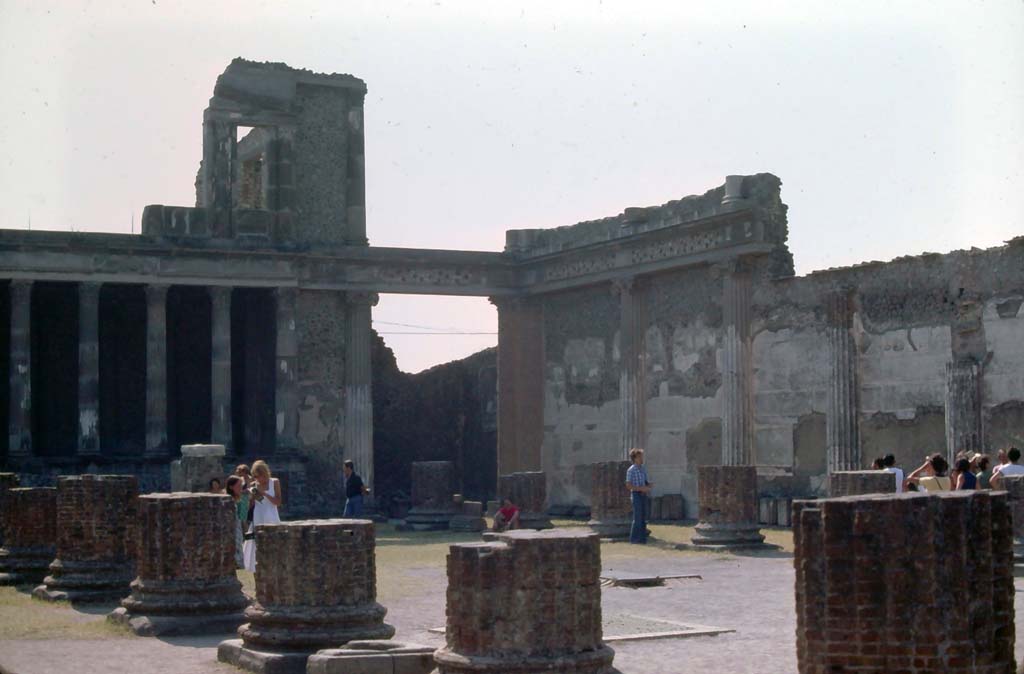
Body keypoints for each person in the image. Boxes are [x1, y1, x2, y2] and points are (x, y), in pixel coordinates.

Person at [242, 459, 282, 572]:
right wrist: (250, 496)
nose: (259, 479)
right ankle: (256, 568)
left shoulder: (274, 482)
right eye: (256, 476)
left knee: (273, 541)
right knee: (256, 542)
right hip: (258, 516)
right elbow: (251, 505)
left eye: (260, 476)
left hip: (272, 515)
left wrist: (264, 493)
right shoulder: (254, 485)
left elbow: (278, 502)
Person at [625, 448, 651, 545]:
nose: (642, 458)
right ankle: (634, 540)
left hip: (644, 495)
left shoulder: (643, 469)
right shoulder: (631, 470)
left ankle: (642, 539)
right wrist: (640, 489)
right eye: (640, 457)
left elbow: (645, 481)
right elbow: (628, 485)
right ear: (635, 458)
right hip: (636, 495)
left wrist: (648, 485)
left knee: (644, 517)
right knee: (637, 517)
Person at [225, 475, 250, 569]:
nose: (241, 488)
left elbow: (243, 517)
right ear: (231, 487)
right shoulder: (226, 500)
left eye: (241, 486)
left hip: (237, 529)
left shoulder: (242, 499)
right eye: (238, 486)